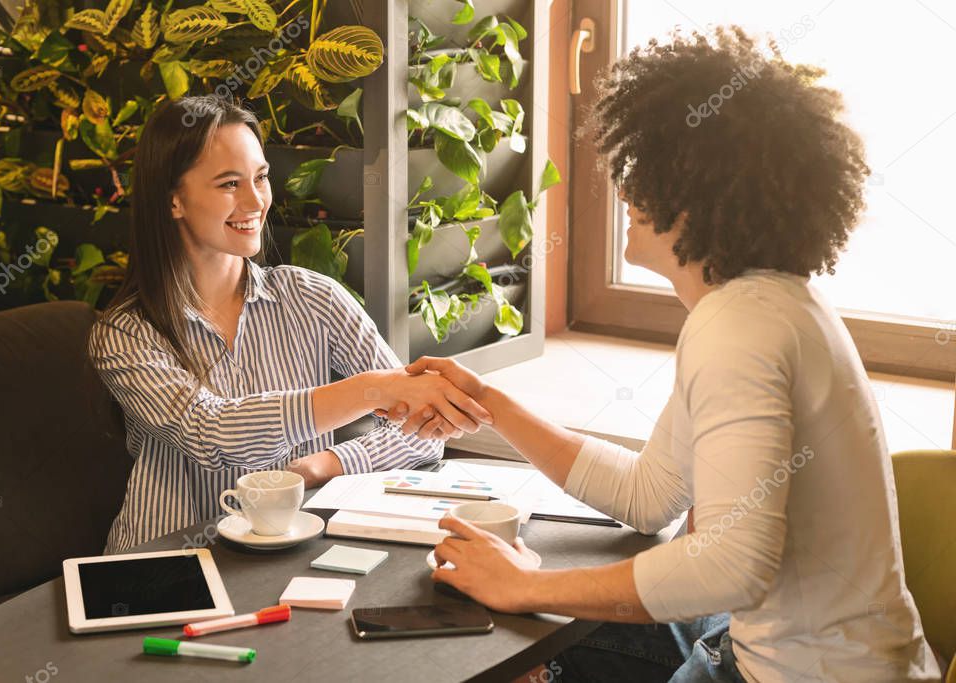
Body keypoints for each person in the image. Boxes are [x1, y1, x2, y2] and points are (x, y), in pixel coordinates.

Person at [396, 26, 941, 683]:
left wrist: (525, 587)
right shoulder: (766, 304)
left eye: (643, 168)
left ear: (694, 190)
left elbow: (732, 564)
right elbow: (648, 493)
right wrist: (488, 405)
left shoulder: (739, 328)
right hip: (780, 650)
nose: (624, 187)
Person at [89, 95, 490, 553]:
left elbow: (420, 439)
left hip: (286, 560)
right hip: (166, 567)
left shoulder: (313, 297)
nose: (255, 200)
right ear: (174, 201)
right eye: (228, 184)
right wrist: (377, 388)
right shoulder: (124, 335)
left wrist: (325, 464)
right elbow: (213, 434)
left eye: (261, 177)